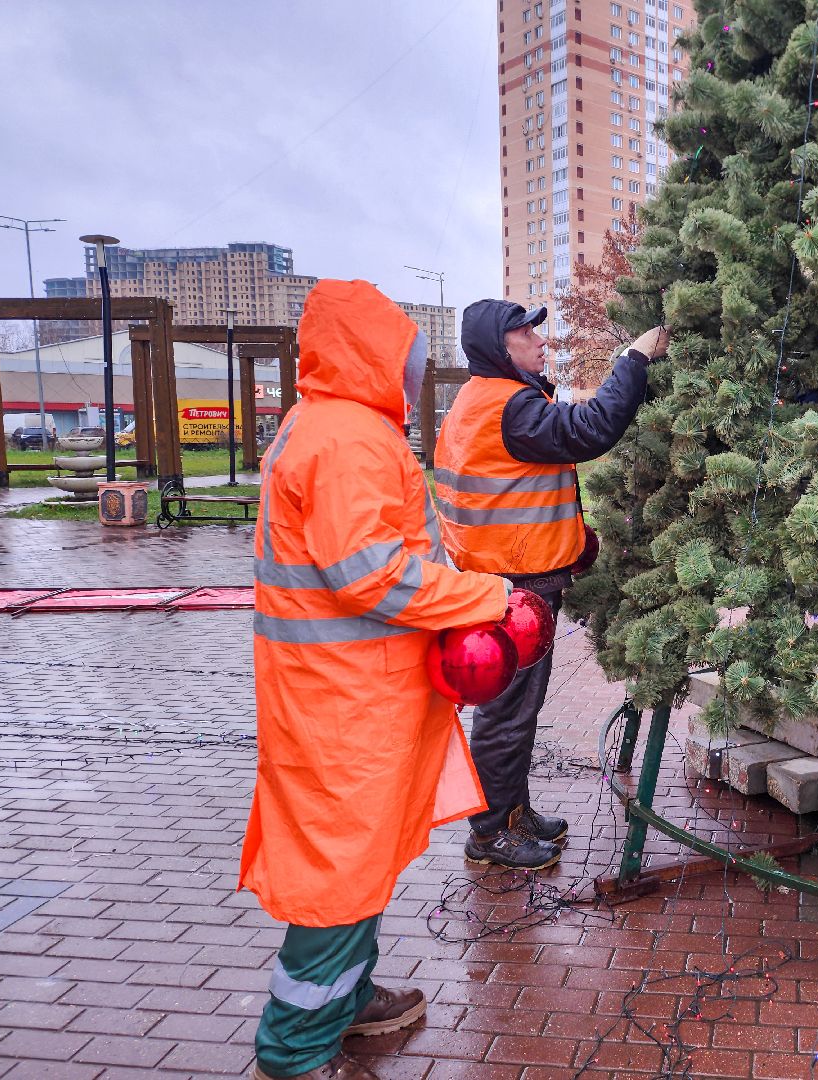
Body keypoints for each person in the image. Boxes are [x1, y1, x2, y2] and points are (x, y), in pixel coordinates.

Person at [241, 280, 511, 1080]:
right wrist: (486, 596)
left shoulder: (329, 427)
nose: (416, 375)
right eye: (409, 360)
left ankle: (347, 1001)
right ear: (375, 357)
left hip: (350, 692)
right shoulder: (345, 439)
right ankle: (293, 1051)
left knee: (357, 860)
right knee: (339, 869)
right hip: (345, 700)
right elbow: (375, 577)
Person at [434, 300, 669, 869]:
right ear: (498, 346)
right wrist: (633, 359)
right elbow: (589, 431)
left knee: (514, 707)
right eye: (524, 333)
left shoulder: (480, 401)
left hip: (500, 574)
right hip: (514, 586)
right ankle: (492, 833)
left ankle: (512, 813)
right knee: (508, 712)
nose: (540, 342)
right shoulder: (510, 406)